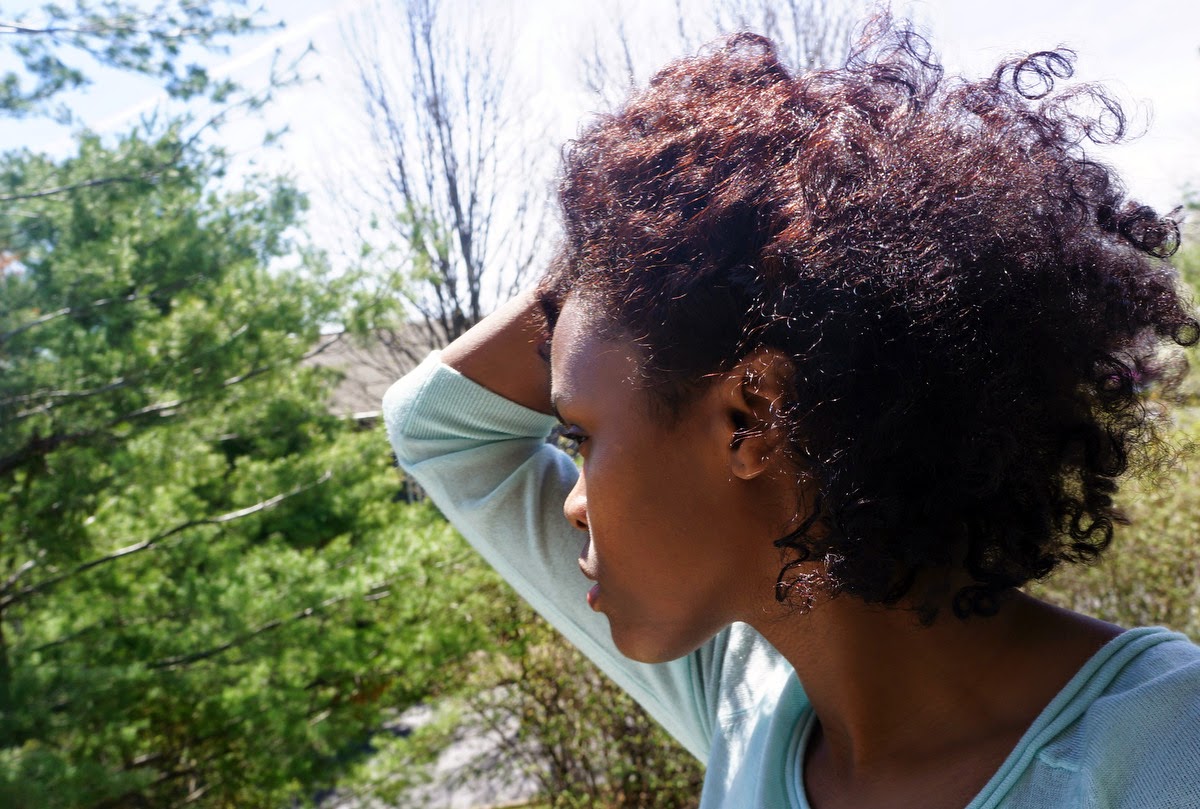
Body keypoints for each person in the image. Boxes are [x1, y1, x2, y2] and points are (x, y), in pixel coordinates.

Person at [383, 18, 1200, 809]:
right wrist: (647, 242)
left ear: (755, 415)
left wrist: (665, 255)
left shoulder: (1168, 752)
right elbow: (437, 427)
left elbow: (445, 433)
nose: (572, 499)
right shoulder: (752, 698)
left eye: (582, 436)